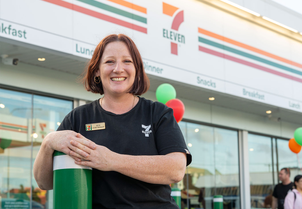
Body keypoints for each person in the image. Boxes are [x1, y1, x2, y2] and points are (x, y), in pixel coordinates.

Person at [33, 34, 192, 208]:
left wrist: (111, 160)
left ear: (137, 69)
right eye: (109, 62)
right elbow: (44, 183)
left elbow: (176, 169)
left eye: (127, 61)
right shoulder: (78, 118)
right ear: (96, 71)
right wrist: (47, 142)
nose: (118, 69)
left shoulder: (158, 114)